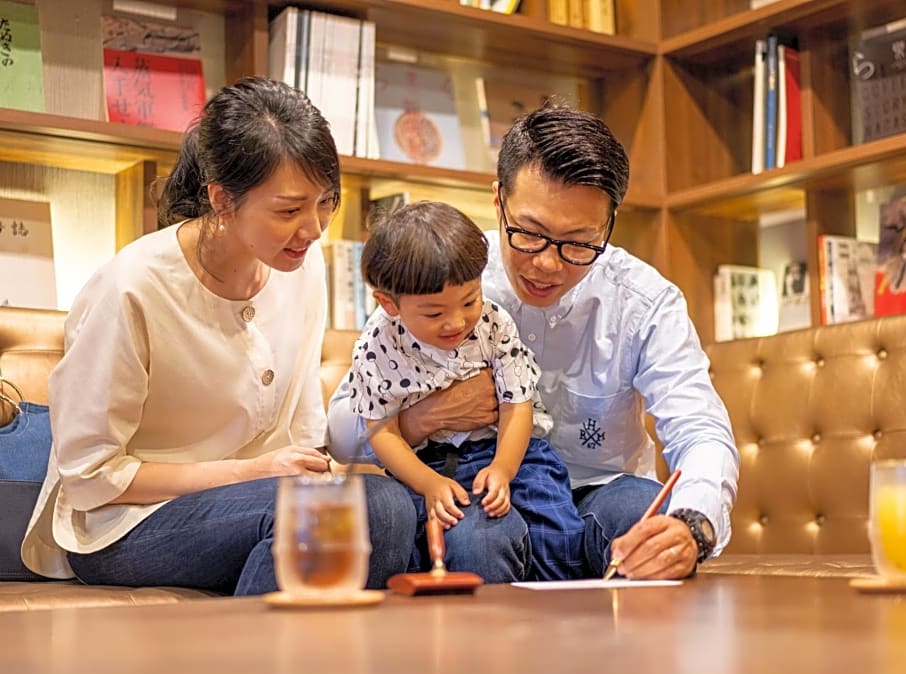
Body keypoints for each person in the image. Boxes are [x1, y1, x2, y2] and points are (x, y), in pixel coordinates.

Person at [19, 77, 415, 595]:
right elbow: (91, 478)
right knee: (353, 512)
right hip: (125, 524)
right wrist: (251, 473)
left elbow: (300, 429)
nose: (314, 228)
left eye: (326, 202)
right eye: (288, 210)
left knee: (386, 507)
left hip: (259, 498)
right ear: (222, 200)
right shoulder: (130, 289)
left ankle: (290, 665)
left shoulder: (304, 265)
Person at [329, 102, 739, 581]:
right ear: (499, 201)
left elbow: (700, 430)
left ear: (609, 226)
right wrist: (427, 417)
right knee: (479, 537)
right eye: (530, 234)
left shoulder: (643, 302)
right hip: (476, 487)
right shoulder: (448, 278)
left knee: (643, 511)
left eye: (579, 243)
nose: (548, 264)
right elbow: (341, 434)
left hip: (597, 494)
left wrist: (694, 524)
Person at [349, 201, 584, 581]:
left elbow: (516, 404)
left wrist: (504, 469)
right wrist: (427, 484)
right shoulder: (377, 344)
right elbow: (381, 430)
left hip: (509, 449)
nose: (456, 322)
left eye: (469, 301)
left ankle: (561, 613)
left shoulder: (493, 321)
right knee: (411, 536)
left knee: (555, 524)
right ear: (389, 303)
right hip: (425, 464)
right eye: (433, 313)